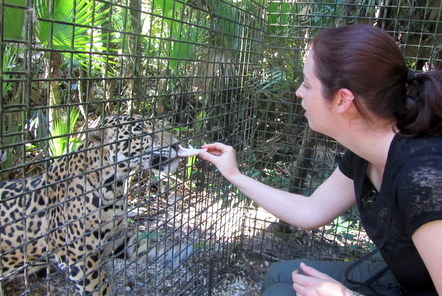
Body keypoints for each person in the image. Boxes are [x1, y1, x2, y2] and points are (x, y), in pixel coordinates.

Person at [197, 24, 442, 296]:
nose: (298, 92)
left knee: (280, 293)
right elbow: (310, 211)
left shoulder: (426, 180)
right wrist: (235, 175)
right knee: (280, 275)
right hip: (407, 280)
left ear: (342, 100)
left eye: (307, 84)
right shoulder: (366, 151)